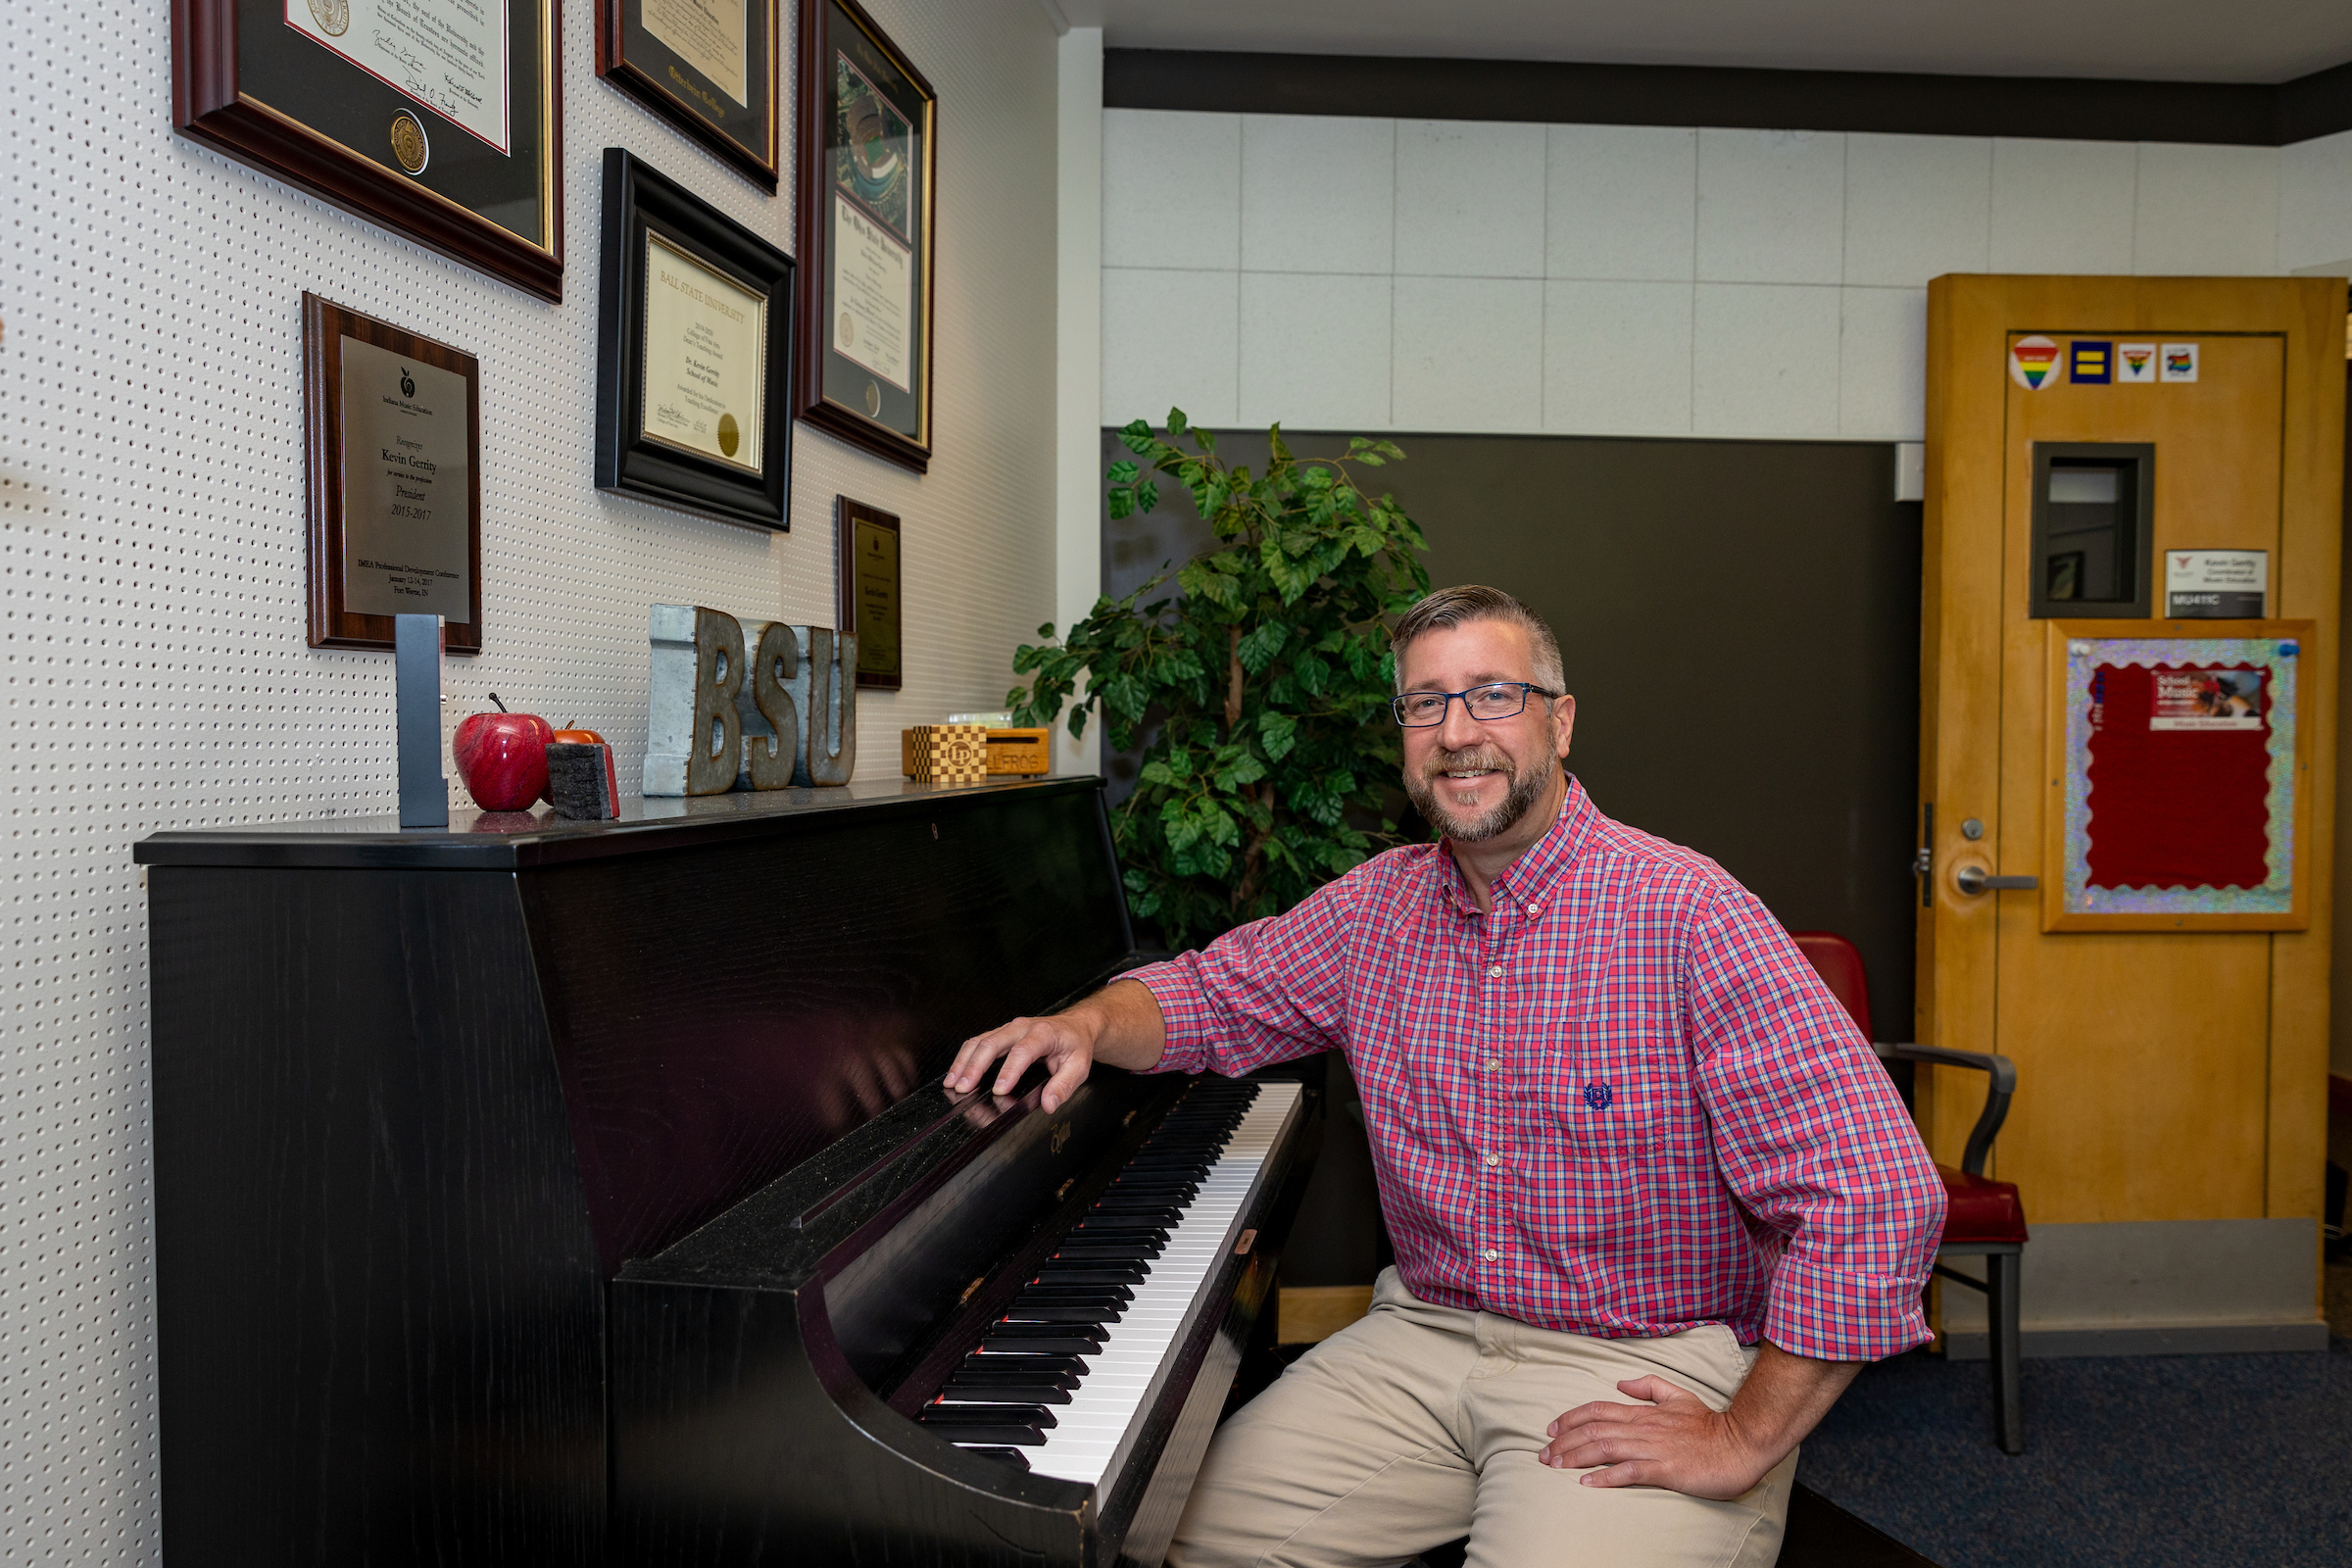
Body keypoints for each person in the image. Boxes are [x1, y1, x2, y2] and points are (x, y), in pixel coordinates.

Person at [947, 584, 1946, 1568]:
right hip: (1421, 1341)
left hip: (1643, 1359)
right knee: (1153, 1539)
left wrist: (1743, 1436)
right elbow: (1209, 995)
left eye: (1493, 695)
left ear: (1561, 722)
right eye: (1426, 703)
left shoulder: (1690, 914)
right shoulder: (1372, 910)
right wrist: (1083, 1022)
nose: (1457, 731)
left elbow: (1880, 1193)